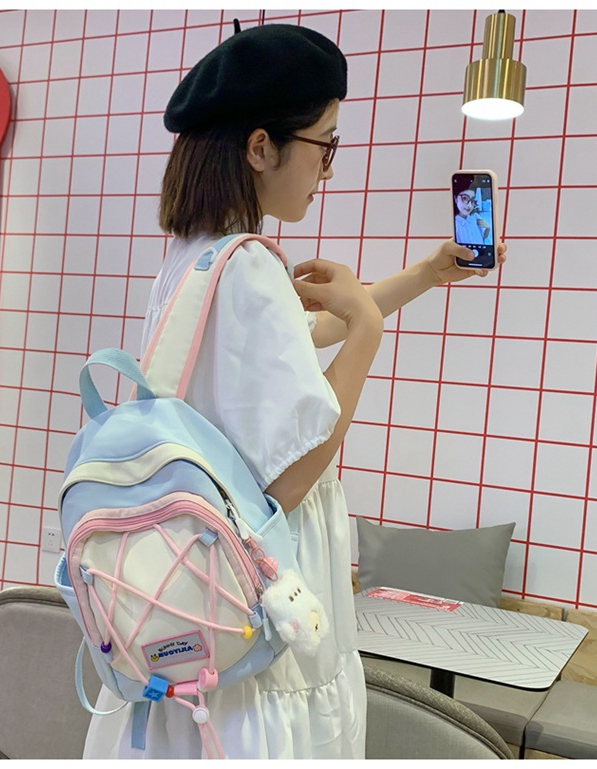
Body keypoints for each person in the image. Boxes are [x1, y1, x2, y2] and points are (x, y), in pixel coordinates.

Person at [82, 23, 507, 760]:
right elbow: (294, 472)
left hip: (204, 572)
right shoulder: (249, 266)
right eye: (325, 145)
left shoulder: (195, 256)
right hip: (269, 570)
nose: (327, 171)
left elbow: (302, 338)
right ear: (260, 146)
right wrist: (368, 327)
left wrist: (423, 276)